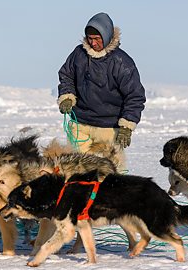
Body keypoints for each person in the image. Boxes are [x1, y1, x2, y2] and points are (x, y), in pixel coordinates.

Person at [57, 12, 146, 171]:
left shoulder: (122, 62)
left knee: (113, 174)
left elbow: (135, 96)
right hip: (80, 124)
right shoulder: (79, 54)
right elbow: (66, 75)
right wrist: (67, 96)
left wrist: (126, 126)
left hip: (109, 127)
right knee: (80, 171)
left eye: (97, 38)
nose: (93, 42)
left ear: (106, 35)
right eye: (90, 38)